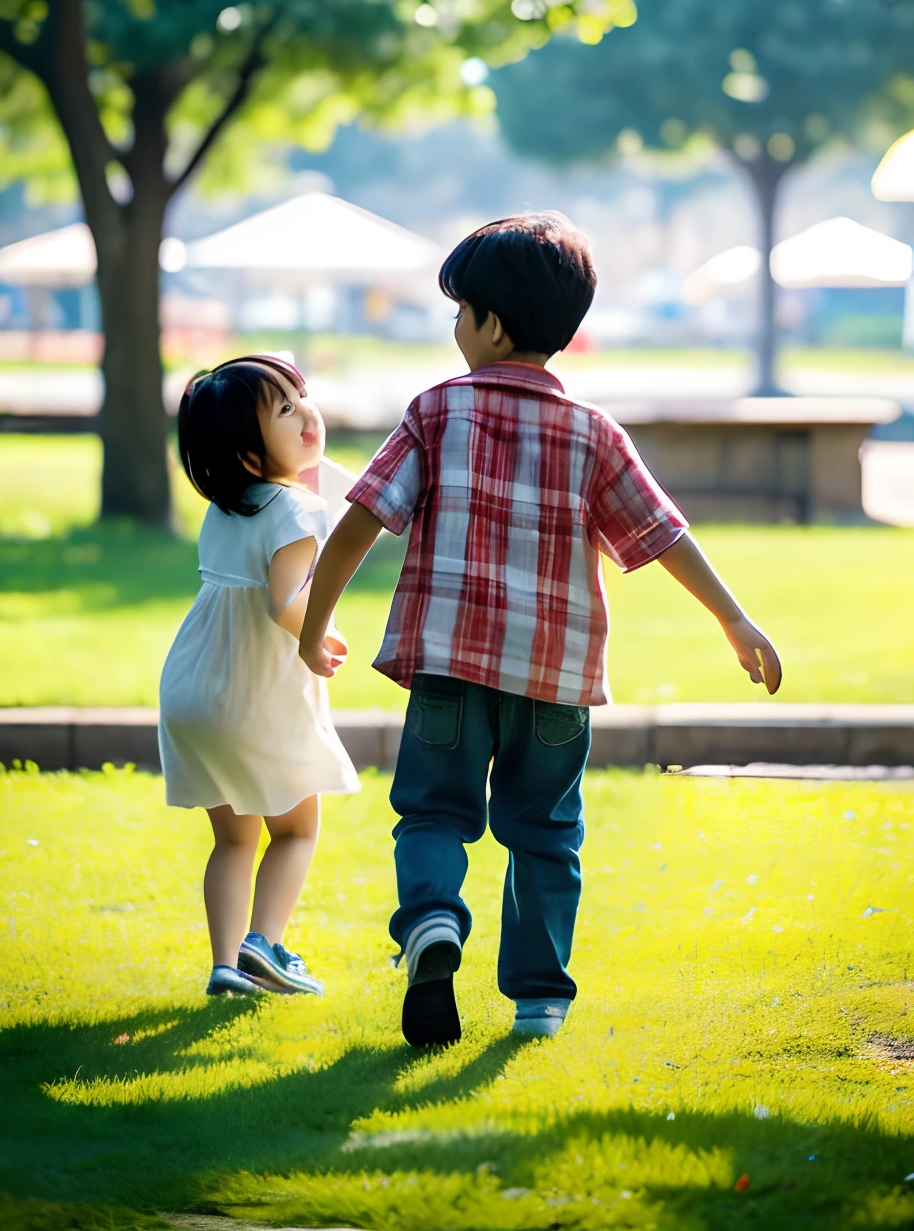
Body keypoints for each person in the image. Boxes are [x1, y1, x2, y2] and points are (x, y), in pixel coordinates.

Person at [300, 213, 781, 1048]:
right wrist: (734, 619)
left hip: (450, 667)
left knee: (432, 816)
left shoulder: (435, 413)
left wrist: (316, 623)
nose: (454, 328)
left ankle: (433, 925)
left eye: (460, 312)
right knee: (546, 833)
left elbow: (360, 521)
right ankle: (537, 1000)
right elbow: (663, 533)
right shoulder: (594, 433)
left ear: (491, 324)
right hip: (556, 678)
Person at [160, 355, 359, 1001]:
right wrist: (312, 640)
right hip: (253, 690)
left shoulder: (228, 507)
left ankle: (224, 965)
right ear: (249, 455)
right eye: (285, 411)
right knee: (297, 827)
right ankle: (264, 945)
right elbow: (281, 601)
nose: (307, 414)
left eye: (302, 397)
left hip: (193, 686)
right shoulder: (297, 510)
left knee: (233, 837)